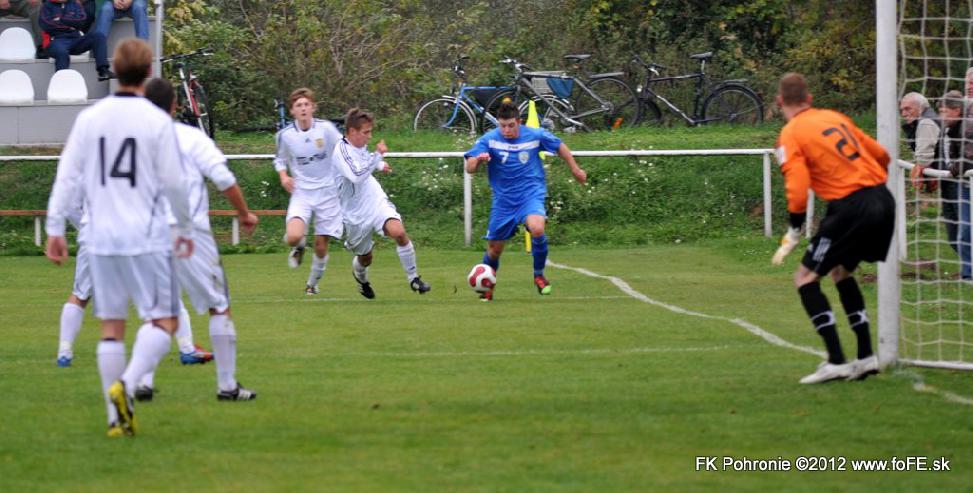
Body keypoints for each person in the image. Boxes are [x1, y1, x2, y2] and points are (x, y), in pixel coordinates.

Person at [44, 39, 192, 437]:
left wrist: (54, 228)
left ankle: (116, 418)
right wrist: (184, 228)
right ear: (147, 74)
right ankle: (126, 385)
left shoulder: (91, 118)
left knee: (111, 327)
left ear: (115, 71)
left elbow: (67, 176)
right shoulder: (156, 121)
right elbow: (176, 184)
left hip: (100, 237)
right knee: (164, 320)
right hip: (144, 234)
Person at [771, 72, 894, 384]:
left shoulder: (791, 133)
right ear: (810, 99)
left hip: (851, 206)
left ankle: (837, 360)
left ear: (779, 101)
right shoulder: (834, 117)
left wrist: (795, 228)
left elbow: (797, 186)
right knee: (841, 271)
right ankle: (866, 356)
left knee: (805, 277)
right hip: (882, 197)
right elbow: (881, 155)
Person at [141, 77, 258, 401]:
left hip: (146, 236)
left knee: (159, 311)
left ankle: (142, 380)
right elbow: (223, 178)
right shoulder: (189, 137)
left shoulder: (135, 143)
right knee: (219, 307)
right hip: (187, 233)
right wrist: (244, 214)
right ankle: (227, 386)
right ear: (175, 105)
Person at [54, 203, 214, 369]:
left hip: (94, 233)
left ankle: (64, 352)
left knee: (81, 295)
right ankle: (186, 349)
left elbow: (70, 204)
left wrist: (84, 227)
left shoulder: (88, 175)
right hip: (132, 233)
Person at [463, 102, 587, 301]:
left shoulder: (535, 135)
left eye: (511, 125)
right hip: (503, 201)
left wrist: (575, 169)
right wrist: (478, 160)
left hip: (531, 194)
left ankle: (539, 275)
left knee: (537, 228)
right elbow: (469, 167)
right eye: (502, 126)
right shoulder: (489, 140)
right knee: (494, 250)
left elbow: (559, 146)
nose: (506, 130)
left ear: (519, 122)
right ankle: (487, 286)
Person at [333, 107, 431, 299]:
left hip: (374, 200)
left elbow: (364, 160)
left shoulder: (358, 146)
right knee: (365, 258)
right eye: (366, 132)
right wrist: (378, 156)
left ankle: (414, 278)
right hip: (354, 214)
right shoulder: (340, 151)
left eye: (370, 132)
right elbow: (356, 175)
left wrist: (379, 164)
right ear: (352, 132)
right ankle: (361, 279)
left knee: (399, 232)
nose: (369, 137)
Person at [274, 88, 344, 295]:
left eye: (306, 105)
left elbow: (343, 150)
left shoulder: (326, 130)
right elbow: (279, 159)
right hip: (302, 193)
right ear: (292, 111)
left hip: (328, 193)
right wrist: (284, 176)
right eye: (298, 106)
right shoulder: (285, 136)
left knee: (321, 245)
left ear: (313, 107)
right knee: (293, 236)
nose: (303, 108)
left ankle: (312, 285)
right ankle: (300, 246)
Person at [39, 0, 113, 80]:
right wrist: (71, 24)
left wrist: (60, 20)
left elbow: (82, 21)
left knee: (98, 36)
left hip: (75, 40)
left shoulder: (75, 4)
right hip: (55, 41)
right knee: (62, 52)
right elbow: (46, 25)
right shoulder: (47, 6)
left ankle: (103, 71)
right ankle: (60, 82)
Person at [938, 90, 965, 259]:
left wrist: (953, 169)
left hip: (961, 182)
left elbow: (966, 156)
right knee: (954, 231)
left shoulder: (966, 127)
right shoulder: (948, 129)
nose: (941, 116)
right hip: (948, 181)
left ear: (956, 110)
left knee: (963, 228)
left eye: (944, 111)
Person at [900, 92, 941, 191]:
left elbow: (924, 159)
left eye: (908, 109)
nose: (903, 114)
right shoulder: (926, 119)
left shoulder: (925, 122)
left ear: (920, 108)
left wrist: (917, 172)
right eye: (902, 110)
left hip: (954, 177)